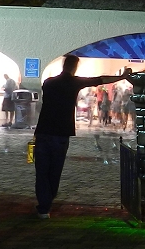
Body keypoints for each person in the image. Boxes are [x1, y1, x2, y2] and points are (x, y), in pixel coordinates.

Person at [33, 54, 133, 218]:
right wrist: (121, 76)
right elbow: (100, 79)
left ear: (64, 65)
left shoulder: (49, 82)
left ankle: (44, 205)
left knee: (42, 171)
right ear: (74, 67)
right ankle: (47, 201)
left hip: (44, 131)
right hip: (62, 133)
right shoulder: (74, 82)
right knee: (55, 170)